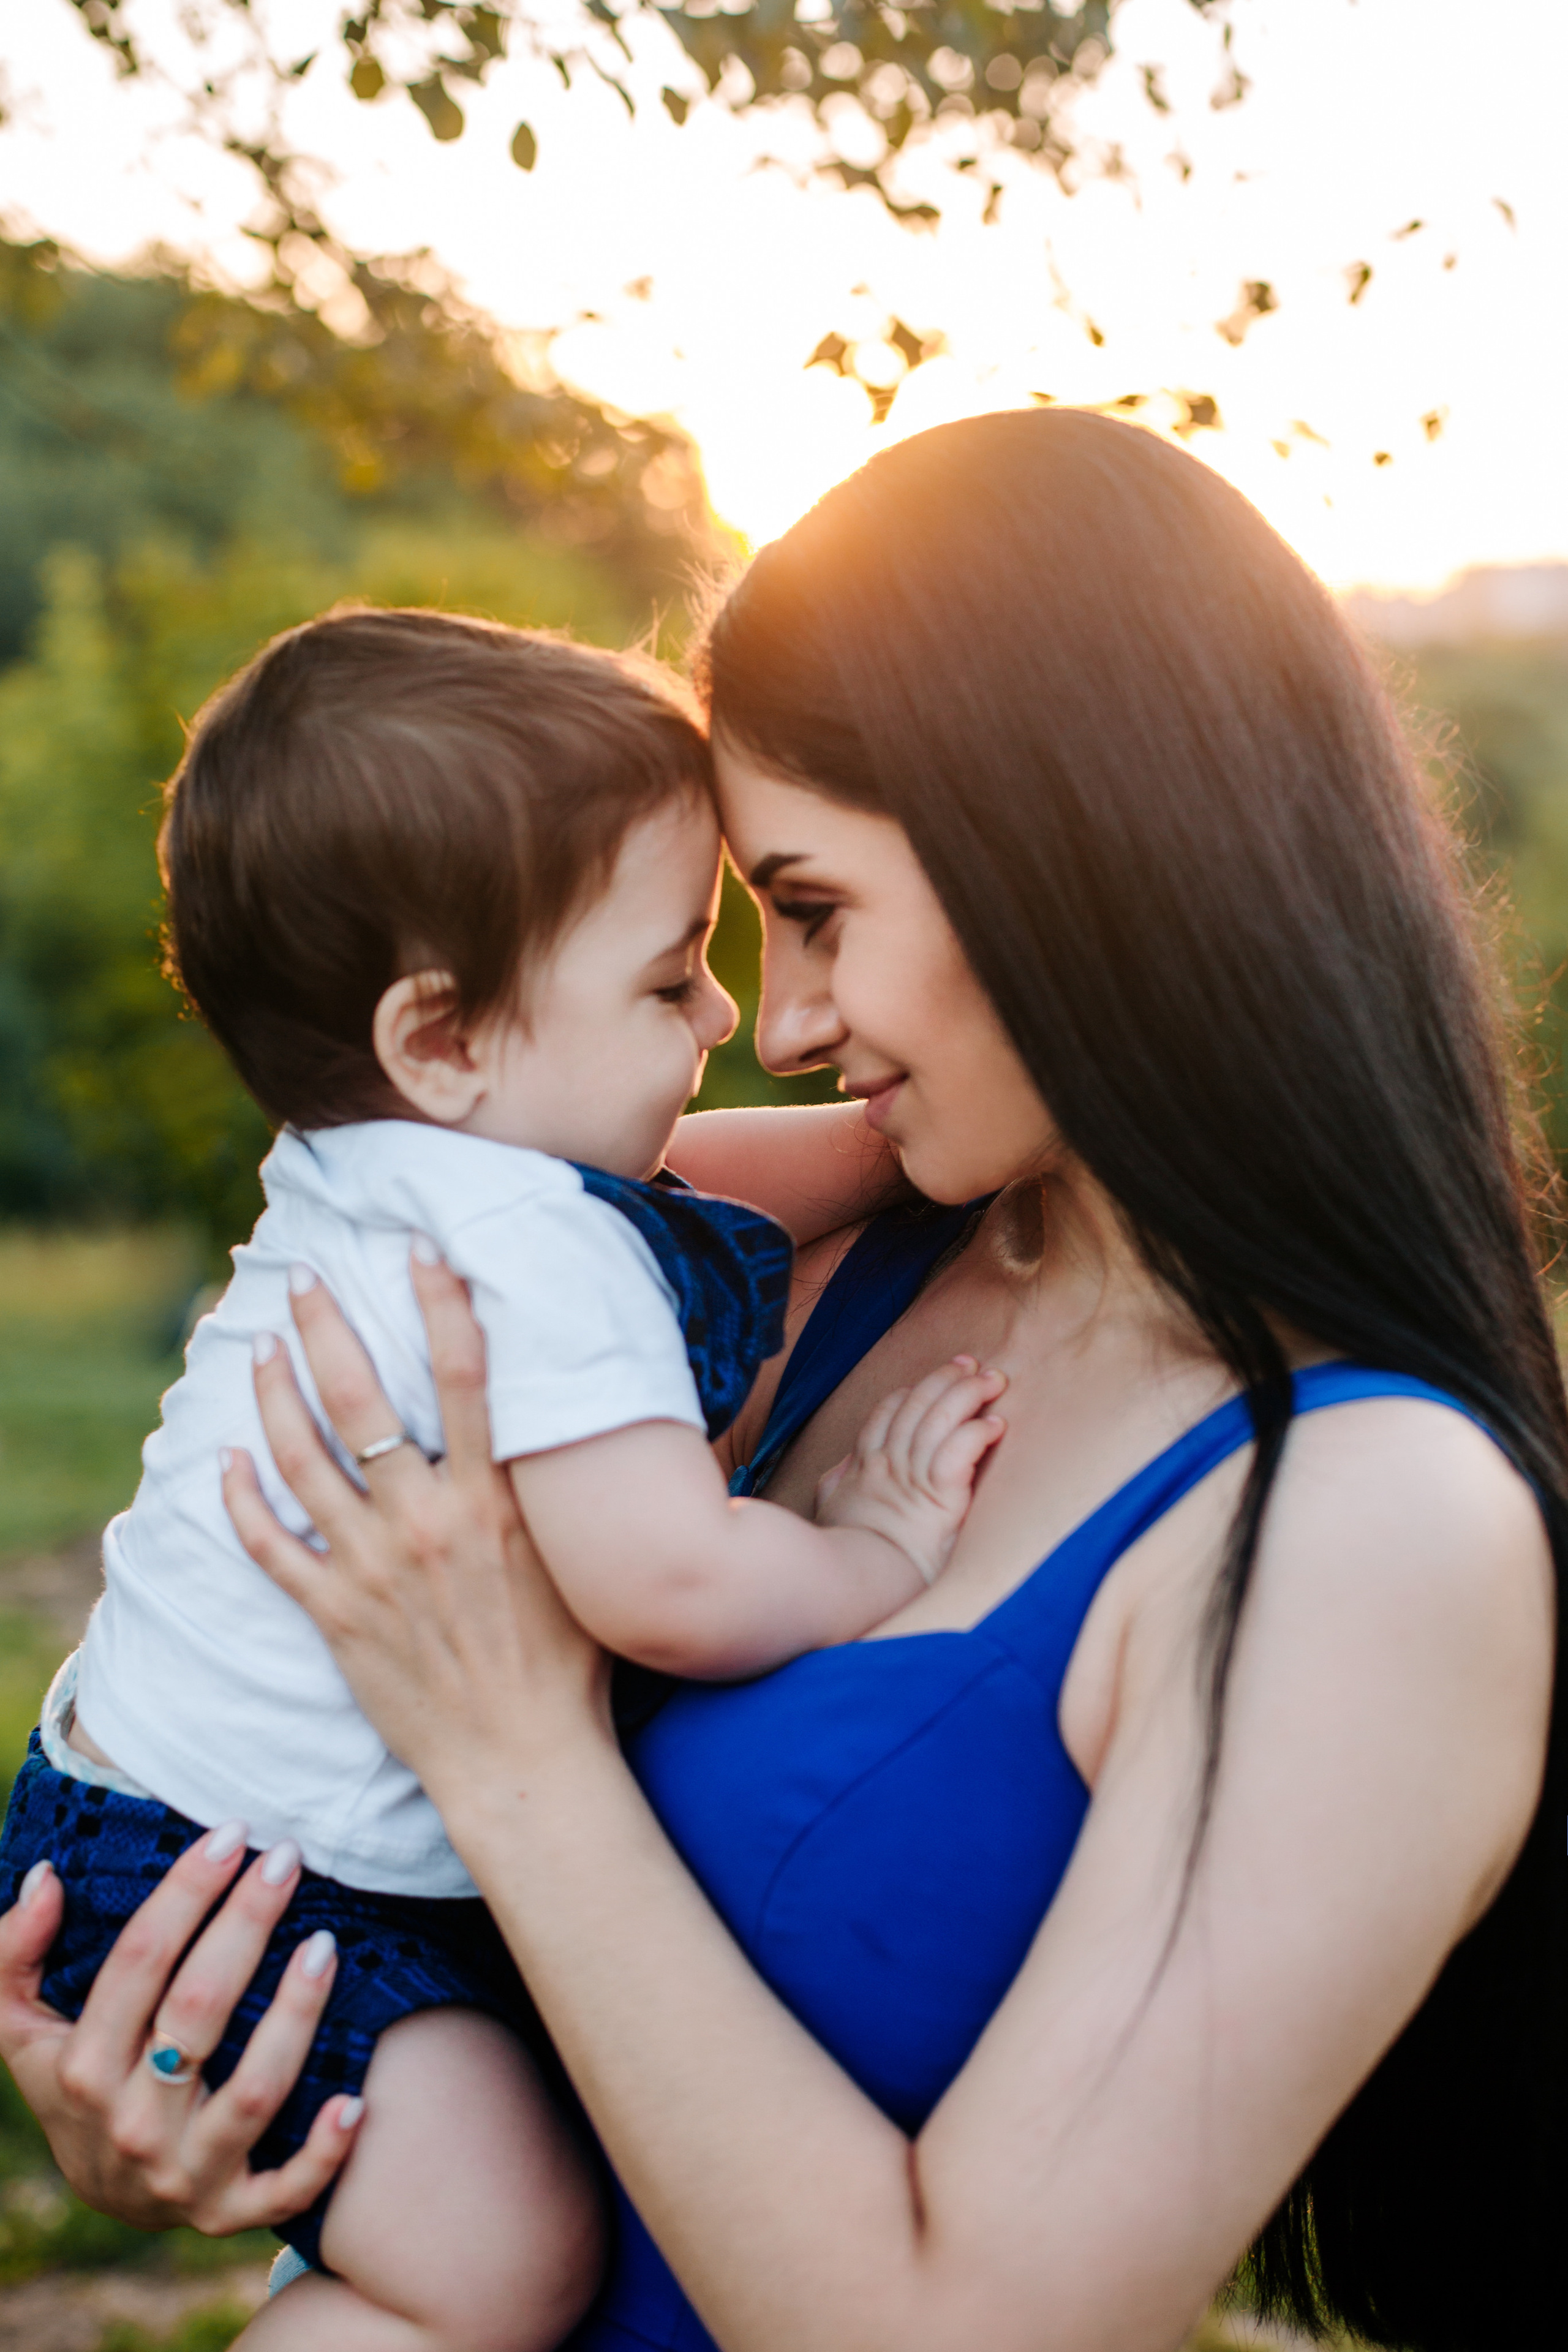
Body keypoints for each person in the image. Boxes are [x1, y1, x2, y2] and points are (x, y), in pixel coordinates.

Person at [0, 409, 1561, 2352]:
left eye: (813, 911)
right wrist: (193, 2089)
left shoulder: (1378, 1525)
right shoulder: (803, 1253)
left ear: (1083, 857)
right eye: (726, 936)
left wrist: (515, 1752)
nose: (783, 1020)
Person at [0, 607, 1005, 2352]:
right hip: (243, 1885)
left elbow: (710, 1184)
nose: (731, 1015)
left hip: (141, 1817)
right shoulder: (525, 1243)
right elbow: (668, 1584)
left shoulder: (405, 1166)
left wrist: (898, 1139)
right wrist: (879, 1546)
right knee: (507, 2261)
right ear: (444, 1039)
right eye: (670, 980)